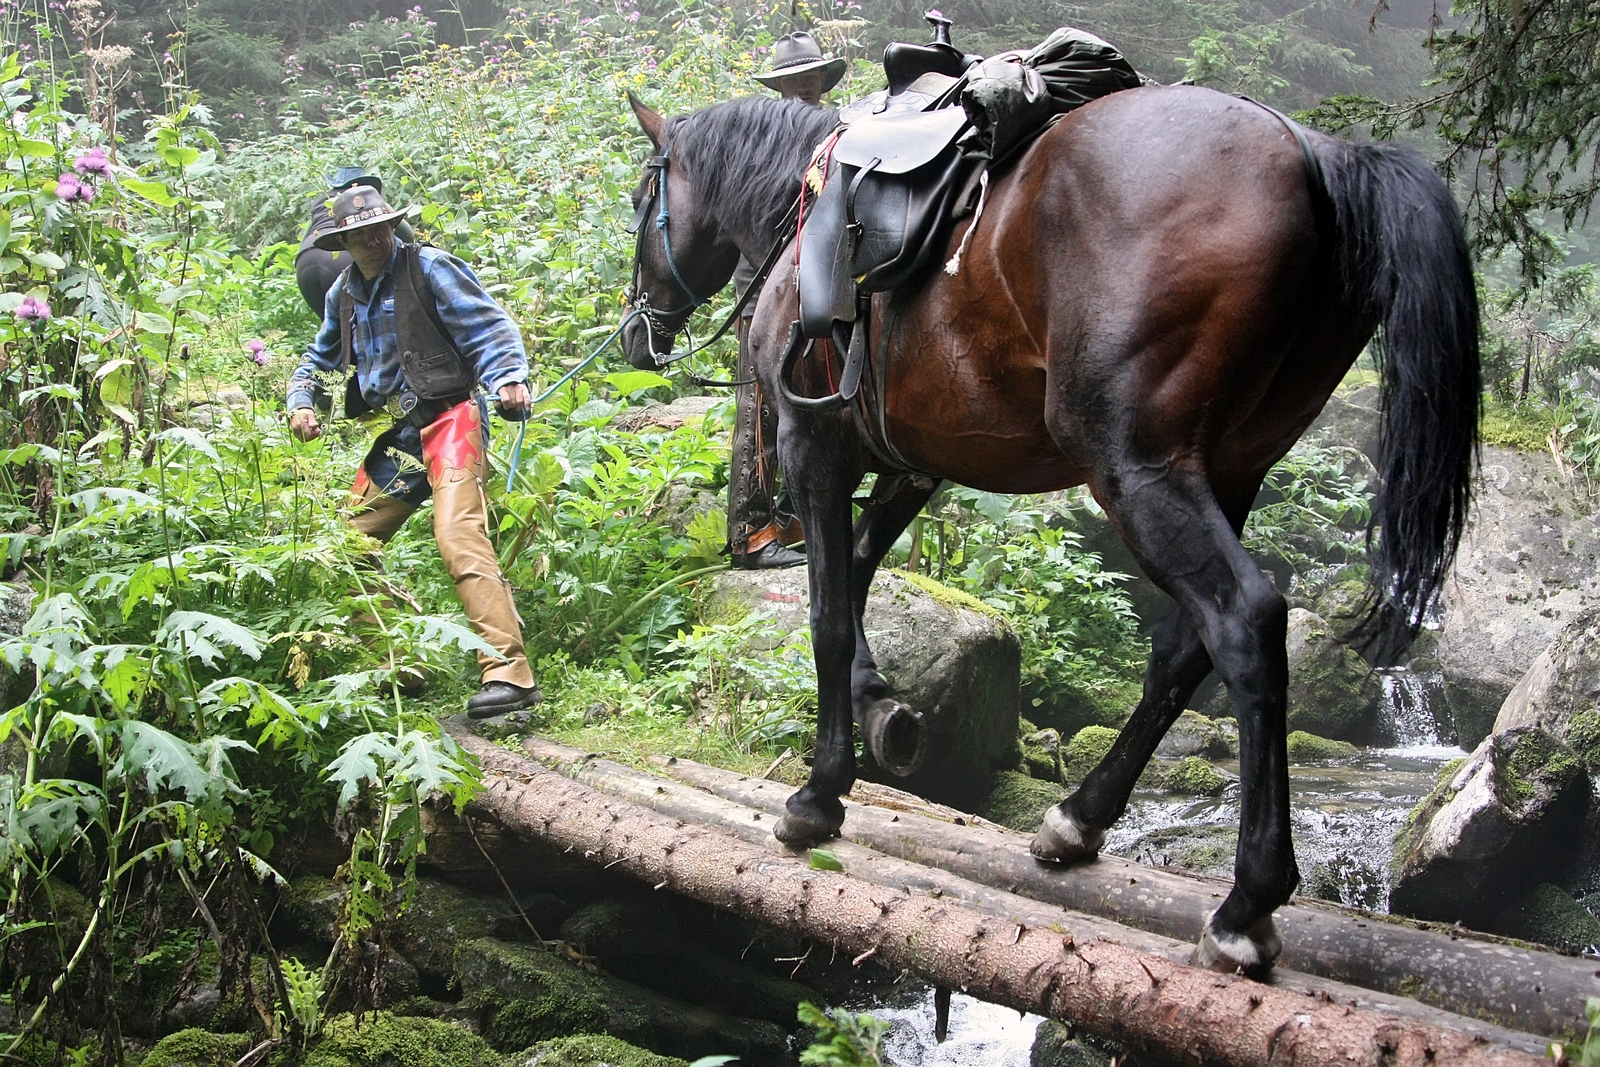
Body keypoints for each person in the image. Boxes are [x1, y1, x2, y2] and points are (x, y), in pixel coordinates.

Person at [286, 184, 542, 719]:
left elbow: (489, 328)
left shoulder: (430, 267)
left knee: (457, 534)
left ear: (392, 227)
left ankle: (508, 673)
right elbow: (320, 356)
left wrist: (509, 378)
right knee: (345, 546)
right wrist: (301, 401)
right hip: (400, 436)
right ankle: (398, 664)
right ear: (344, 242)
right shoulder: (343, 295)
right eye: (361, 234)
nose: (374, 240)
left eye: (381, 228)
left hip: (453, 417)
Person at [726, 32, 847, 569]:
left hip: (818, 285)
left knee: (807, 402)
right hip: (760, 287)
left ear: (822, 80)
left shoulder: (836, 130)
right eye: (793, 79)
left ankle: (793, 516)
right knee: (758, 408)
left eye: (811, 76)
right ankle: (749, 534)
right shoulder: (757, 138)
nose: (804, 85)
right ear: (777, 86)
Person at [294, 166, 416, 315]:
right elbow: (405, 231)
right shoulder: (366, 200)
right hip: (339, 257)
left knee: (337, 328)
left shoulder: (323, 199)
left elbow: (311, 235)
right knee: (359, 319)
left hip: (306, 262)